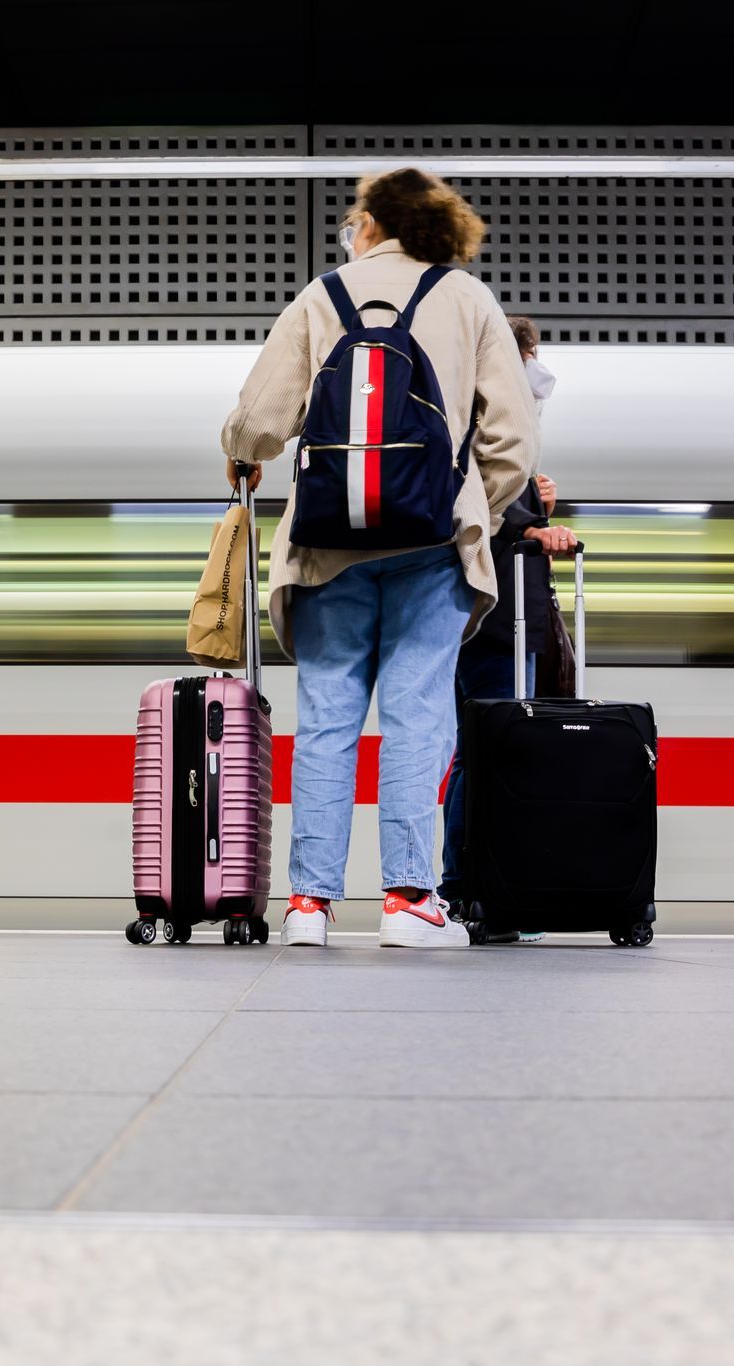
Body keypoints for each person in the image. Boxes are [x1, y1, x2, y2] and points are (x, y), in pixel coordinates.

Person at [222, 169, 538, 949]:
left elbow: (256, 424)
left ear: (370, 223)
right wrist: (470, 512)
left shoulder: (320, 295)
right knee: (416, 719)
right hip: (434, 549)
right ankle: (407, 904)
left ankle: (308, 909)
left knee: (327, 720)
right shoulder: (468, 300)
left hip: (327, 546)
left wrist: (244, 453)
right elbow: (513, 445)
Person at [437, 316, 578, 928]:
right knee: (492, 755)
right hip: (498, 622)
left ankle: (470, 888)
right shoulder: (484, 426)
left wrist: (536, 507)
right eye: (531, 359)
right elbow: (479, 517)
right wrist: (531, 526)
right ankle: (479, 893)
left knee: (477, 754)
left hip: (479, 617)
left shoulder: (467, 423)